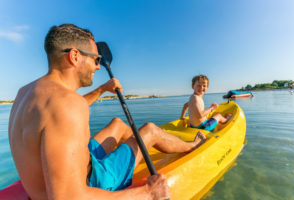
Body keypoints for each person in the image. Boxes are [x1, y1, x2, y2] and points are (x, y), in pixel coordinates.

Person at [8, 24, 206, 200]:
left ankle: (138, 149)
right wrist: (148, 193)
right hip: (92, 183)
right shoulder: (68, 104)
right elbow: (68, 197)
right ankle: (190, 145)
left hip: (62, 177)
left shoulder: (25, 93)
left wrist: (102, 89)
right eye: (95, 59)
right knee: (150, 129)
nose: (97, 66)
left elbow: (59, 116)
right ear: (75, 56)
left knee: (118, 125)